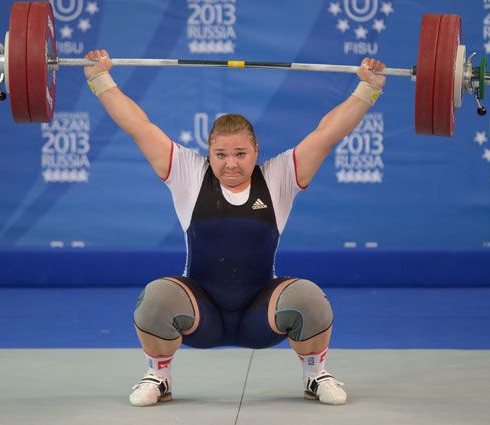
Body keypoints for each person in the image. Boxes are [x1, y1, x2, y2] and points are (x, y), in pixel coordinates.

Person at [84, 49, 386, 407]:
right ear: (208, 153)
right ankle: (159, 377)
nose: (230, 164)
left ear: (256, 151)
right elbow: (138, 126)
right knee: (156, 297)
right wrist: (100, 79)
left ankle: (314, 375)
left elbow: (327, 133)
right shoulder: (189, 175)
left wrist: (368, 90)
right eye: (221, 155)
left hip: (261, 313)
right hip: (201, 314)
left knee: (308, 297)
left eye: (240, 154)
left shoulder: (279, 177)